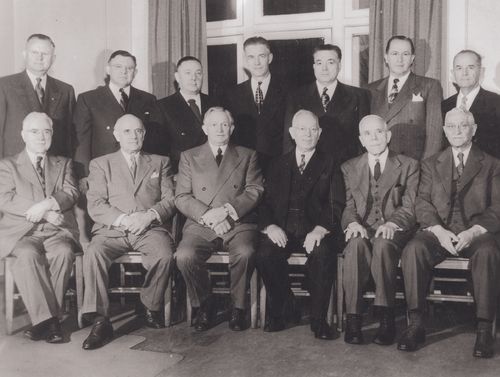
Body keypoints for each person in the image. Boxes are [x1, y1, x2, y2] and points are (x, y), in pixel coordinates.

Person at [399, 108, 500, 358]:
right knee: (413, 249)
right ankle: (416, 323)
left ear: (473, 130)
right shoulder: (431, 163)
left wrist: (473, 232)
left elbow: (497, 206)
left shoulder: (491, 164)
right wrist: (439, 231)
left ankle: (484, 330)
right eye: (451, 126)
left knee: (488, 252)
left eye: (463, 126)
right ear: (444, 130)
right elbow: (422, 202)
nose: (457, 131)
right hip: (439, 230)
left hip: (476, 233)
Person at [81, 114, 176, 350]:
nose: (133, 136)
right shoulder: (101, 164)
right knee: (93, 253)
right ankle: (100, 320)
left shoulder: (160, 162)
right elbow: (96, 204)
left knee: (164, 254)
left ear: (144, 134)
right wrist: (124, 219)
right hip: (112, 230)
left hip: (148, 228)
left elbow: (171, 200)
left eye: (138, 131)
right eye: (127, 131)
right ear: (116, 135)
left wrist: (148, 216)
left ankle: (148, 304)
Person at [257, 110, 345, 339]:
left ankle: (318, 319)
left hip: (315, 231)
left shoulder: (331, 162)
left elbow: (336, 204)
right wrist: (270, 227)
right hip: (283, 229)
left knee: (323, 254)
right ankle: (284, 306)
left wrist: (319, 230)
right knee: (265, 254)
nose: (308, 134)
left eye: (313, 129)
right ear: (292, 133)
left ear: (320, 133)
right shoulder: (277, 163)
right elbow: (264, 203)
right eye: (302, 129)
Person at [175, 107, 264, 332]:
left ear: (232, 128)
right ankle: (204, 303)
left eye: (224, 124)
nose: (219, 129)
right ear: (205, 128)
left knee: (245, 252)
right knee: (184, 255)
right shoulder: (189, 156)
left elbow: (254, 190)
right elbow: (182, 196)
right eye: (214, 125)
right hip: (201, 223)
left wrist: (227, 210)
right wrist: (209, 216)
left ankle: (238, 307)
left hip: (237, 221)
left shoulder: (247, 154)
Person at [0, 112, 80, 343]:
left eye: (46, 131)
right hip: (22, 232)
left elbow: (71, 193)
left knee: (64, 253)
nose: (41, 136)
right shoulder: (8, 165)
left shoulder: (63, 163)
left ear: (52, 135)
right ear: (24, 135)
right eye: (35, 131)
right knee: (27, 255)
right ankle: (52, 321)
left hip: (57, 231)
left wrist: (49, 203)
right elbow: (4, 198)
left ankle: (42, 321)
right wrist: (44, 211)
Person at [341, 115, 419, 346]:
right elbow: (348, 205)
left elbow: (409, 206)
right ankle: (353, 320)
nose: (373, 137)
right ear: (361, 139)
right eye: (367, 133)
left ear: (388, 135)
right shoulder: (349, 167)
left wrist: (392, 223)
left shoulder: (409, 165)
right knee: (354, 244)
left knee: (383, 244)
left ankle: (386, 318)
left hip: (394, 228)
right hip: (364, 227)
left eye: (378, 132)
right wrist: (352, 223)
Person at [73, 50, 157, 180]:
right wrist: (84, 176)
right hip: (104, 173)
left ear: (135, 72)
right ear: (108, 70)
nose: (124, 72)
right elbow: (81, 142)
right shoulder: (88, 99)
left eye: (129, 68)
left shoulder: (148, 100)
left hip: (140, 174)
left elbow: (152, 141)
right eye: (118, 67)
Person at [284, 44, 370, 164]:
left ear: (339, 65)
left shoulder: (359, 96)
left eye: (330, 62)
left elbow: (365, 141)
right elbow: (288, 141)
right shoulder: (296, 97)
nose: (324, 68)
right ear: (313, 66)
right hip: (309, 168)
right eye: (319, 63)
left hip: (346, 168)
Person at [367, 35, 443, 161]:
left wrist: (426, 170)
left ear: (412, 58)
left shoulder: (429, 86)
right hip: (380, 164)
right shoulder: (370, 90)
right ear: (386, 58)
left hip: (413, 165)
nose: (400, 59)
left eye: (406, 54)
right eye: (394, 53)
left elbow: (435, 136)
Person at [0, 34, 75, 159]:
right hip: (14, 167)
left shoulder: (66, 91)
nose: (39, 58)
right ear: (25, 54)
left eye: (45, 54)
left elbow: (69, 138)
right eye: (34, 52)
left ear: (53, 58)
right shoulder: (4, 86)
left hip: (54, 168)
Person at [223, 36, 287, 171]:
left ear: (270, 58)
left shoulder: (288, 91)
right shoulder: (232, 93)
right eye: (251, 57)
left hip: (279, 166)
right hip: (243, 167)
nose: (257, 62)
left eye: (261, 56)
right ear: (246, 60)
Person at [151, 56, 219, 172]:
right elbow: (159, 149)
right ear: (177, 77)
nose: (194, 78)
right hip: (180, 172)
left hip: (214, 170)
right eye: (188, 73)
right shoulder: (162, 106)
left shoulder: (215, 103)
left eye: (198, 73)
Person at [442, 49, 500, 159]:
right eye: (459, 68)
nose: (464, 73)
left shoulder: (496, 103)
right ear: (452, 73)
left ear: (481, 71)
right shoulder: (444, 105)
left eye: (470, 67)